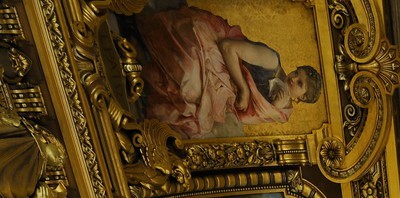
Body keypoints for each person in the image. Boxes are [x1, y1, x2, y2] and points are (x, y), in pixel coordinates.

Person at [123, 4, 322, 140]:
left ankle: (137, 84)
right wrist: (243, 89)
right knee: (190, 81)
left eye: (299, 83)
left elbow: (241, 114)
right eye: (297, 73)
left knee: (195, 122)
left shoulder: (282, 111)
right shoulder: (271, 61)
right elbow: (228, 47)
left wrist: (272, 103)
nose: (293, 78)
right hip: (215, 51)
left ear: (302, 98)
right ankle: (134, 54)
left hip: (223, 89)